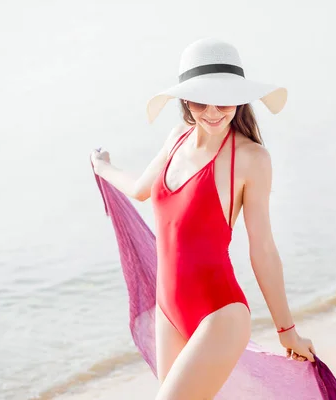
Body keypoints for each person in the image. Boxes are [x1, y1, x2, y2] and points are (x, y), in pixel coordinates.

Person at [90, 38, 316, 400]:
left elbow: (263, 248)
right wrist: (104, 168)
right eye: (200, 101)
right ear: (184, 101)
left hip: (221, 314)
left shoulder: (250, 158)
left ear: (240, 99)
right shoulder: (176, 138)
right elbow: (141, 190)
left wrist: (286, 329)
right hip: (169, 310)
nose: (212, 112)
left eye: (223, 101)